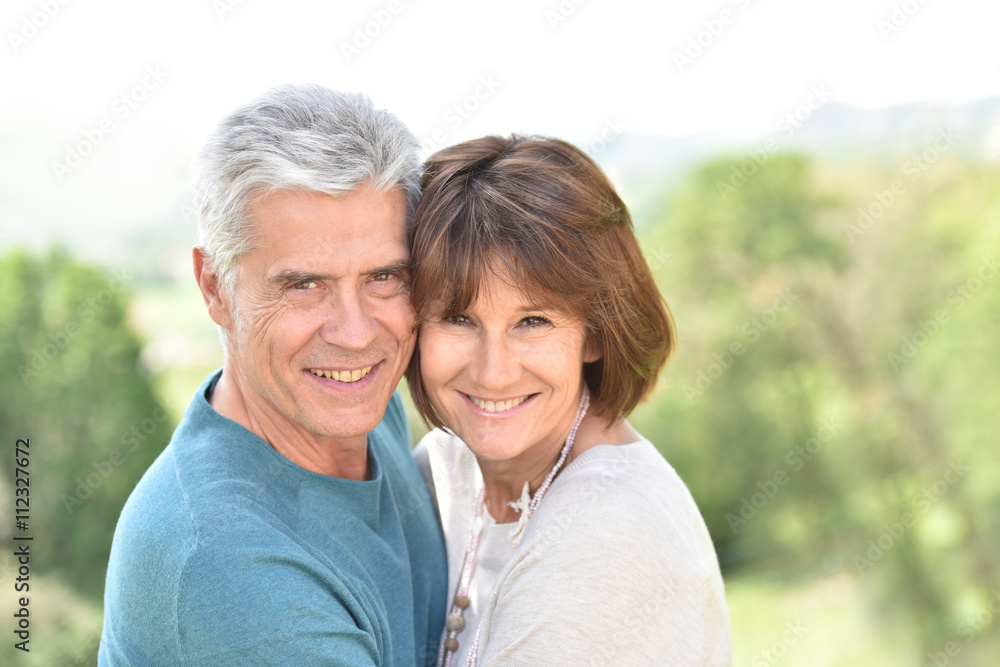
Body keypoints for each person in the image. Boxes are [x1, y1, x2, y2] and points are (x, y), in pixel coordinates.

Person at [99, 84, 447, 666]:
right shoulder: (229, 567)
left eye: (384, 277)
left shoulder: (364, 404)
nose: (356, 333)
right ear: (215, 287)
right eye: (304, 285)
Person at [407, 135, 733, 665]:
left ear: (597, 332)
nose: (493, 371)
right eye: (458, 318)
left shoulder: (606, 531)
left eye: (532, 322)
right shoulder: (443, 472)